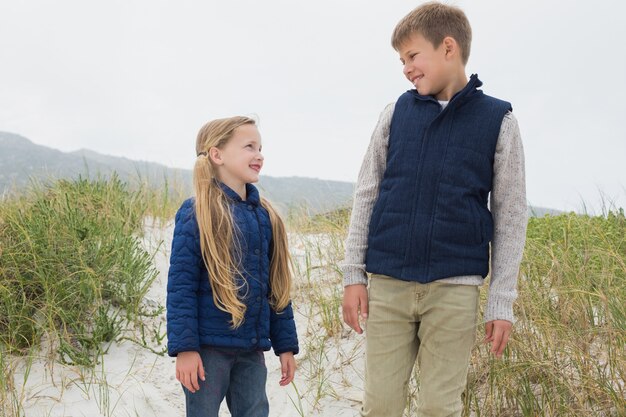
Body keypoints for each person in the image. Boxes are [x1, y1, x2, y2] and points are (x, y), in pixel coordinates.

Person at [341, 2, 527, 416]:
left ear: (448, 48)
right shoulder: (395, 114)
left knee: (439, 408)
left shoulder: (499, 120)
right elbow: (366, 194)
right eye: (400, 60)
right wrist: (353, 274)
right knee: (380, 406)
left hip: (454, 289)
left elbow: (512, 215)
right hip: (388, 284)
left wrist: (502, 301)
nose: (406, 68)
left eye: (412, 56)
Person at [166, 116, 298, 417]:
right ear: (217, 154)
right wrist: (185, 349)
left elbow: (275, 287)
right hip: (208, 350)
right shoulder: (197, 211)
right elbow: (181, 286)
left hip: (251, 349)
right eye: (249, 146)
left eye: (261, 147)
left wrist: (285, 346)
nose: (259, 154)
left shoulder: (265, 216)